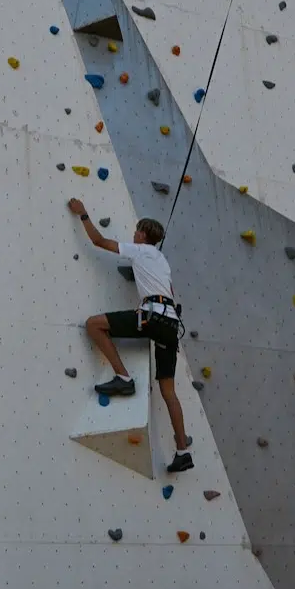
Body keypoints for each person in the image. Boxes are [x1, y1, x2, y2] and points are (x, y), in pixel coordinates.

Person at [67, 198, 193, 473]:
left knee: (93, 325)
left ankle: (123, 377)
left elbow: (100, 242)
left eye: (137, 231)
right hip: (171, 324)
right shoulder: (162, 261)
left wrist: (83, 214)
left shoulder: (139, 251)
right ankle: (183, 449)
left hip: (152, 317)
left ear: (143, 235)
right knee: (168, 391)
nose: (133, 234)